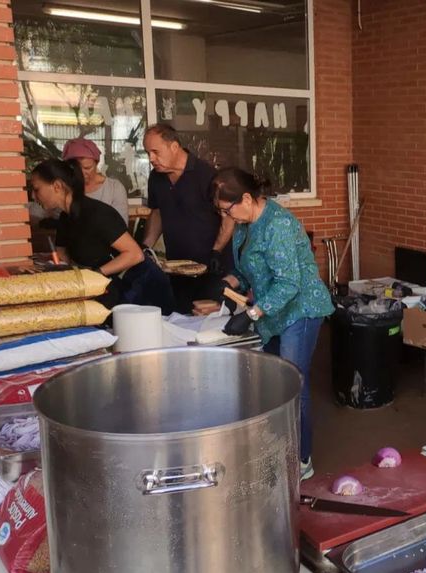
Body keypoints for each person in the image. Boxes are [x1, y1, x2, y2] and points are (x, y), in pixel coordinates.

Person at [212, 167, 334, 480]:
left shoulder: (278, 224)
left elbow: (290, 283)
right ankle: (279, 448)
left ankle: (302, 459)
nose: (227, 217)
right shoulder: (244, 225)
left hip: (300, 310)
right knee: (273, 383)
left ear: (247, 198)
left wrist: (252, 314)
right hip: (273, 312)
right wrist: (228, 282)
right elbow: (248, 270)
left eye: (228, 210)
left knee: (294, 385)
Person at [30, 159, 175, 314]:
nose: (33, 196)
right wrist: (44, 267)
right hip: (112, 290)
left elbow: (135, 254)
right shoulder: (66, 218)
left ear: (57, 186)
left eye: (36, 189)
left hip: (142, 292)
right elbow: (62, 257)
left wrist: (95, 275)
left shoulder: (96, 214)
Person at [141, 123, 233, 313]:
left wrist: (217, 251)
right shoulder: (156, 178)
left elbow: (229, 217)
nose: (151, 158)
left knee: (209, 326)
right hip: (177, 269)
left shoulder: (205, 175)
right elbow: (157, 212)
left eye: (155, 152)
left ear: (174, 147)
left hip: (211, 269)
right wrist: (145, 248)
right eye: (148, 153)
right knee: (181, 321)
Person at [61, 137, 130, 224]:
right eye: (76, 169)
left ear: (96, 163)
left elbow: (121, 227)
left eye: (87, 168)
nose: (82, 173)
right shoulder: (63, 189)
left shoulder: (114, 189)